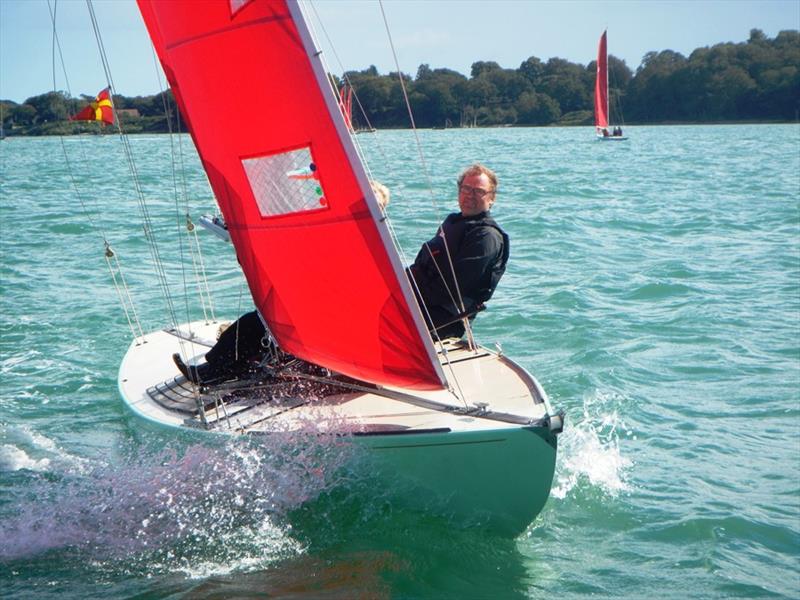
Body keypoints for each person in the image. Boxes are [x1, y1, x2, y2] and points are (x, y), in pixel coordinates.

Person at [173, 166, 508, 383]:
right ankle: (224, 366)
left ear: (490, 198)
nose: (469, 194)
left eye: (478, 192)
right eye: (465, 187)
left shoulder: (486, 237)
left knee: (316, 314)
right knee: (287, 307)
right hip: (405, 302)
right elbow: (423, 273)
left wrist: (388, 294)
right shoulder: (455, 223)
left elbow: (451, 287)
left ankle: (234, 370)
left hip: (432, 316)